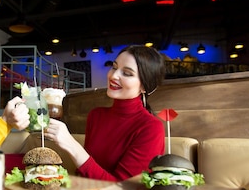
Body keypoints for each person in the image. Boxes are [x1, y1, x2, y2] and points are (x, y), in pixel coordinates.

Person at [45, 45, 165, 181]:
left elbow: (123, 189)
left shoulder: (151, 128)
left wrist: (72, 146)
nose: (113, 76)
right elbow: (84, 174)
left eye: (127, 73)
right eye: (114, 67)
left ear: (144, 86)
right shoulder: (96, 116)